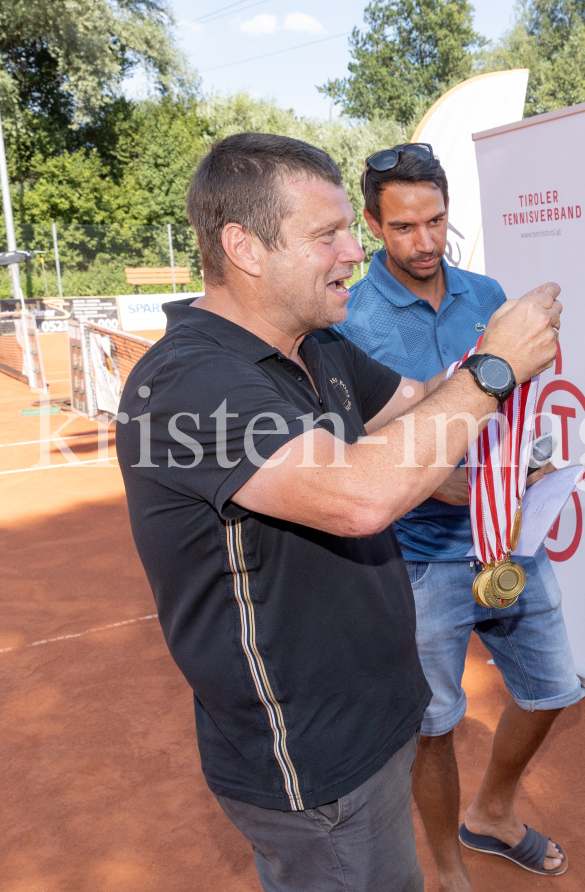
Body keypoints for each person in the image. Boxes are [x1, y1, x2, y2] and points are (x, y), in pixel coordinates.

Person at [115, 132, 562, 892]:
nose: (354, 252)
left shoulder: (316, 345)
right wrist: (493, 370)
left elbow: (419, 408)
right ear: (244, 248)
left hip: (373, 727)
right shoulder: (191, 382)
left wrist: (507, 423)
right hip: (313, 765)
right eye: (327, 235)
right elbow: (358, 494)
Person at [335, 144, 581, 888]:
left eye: (437, 221)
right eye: (405, 227)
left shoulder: (487, 294)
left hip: (506, 542)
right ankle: (445, 868)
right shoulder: (349, 318)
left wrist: (528, 464)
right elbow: (379, 450)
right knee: (434, 726)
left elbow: (518, 404)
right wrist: (469, 482)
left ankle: (493, 814)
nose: (426, 242)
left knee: (553, 689)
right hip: (416, 559)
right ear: (376, 224)